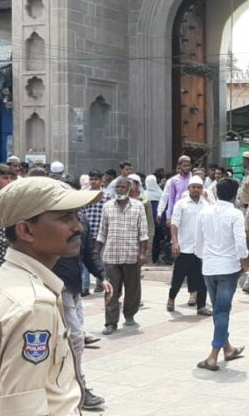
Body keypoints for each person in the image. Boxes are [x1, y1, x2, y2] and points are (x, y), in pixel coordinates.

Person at [0, 176, 101, 415]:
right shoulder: (34, 305)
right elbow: (22, 409)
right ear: (26, 230)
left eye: (76, 216)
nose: (78, 226)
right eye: (65, 217)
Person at [50, 176, 111, 411]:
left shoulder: (81, 220)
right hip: (56, 288)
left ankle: (72, 385)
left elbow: (89, 253)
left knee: (74, 340)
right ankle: (78, 388)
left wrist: (102, 276)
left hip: (74, 288)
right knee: (74, 339)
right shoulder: (48, 222)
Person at [193, 178, 248, 370]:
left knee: (218, 311)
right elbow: (240, 243)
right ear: (235, 194)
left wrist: (204, 257)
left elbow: (198, 242)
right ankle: (213, 355)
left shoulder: (204, 212)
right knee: (222, 311)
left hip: (209, 266)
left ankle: (228, 348)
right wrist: (244, 260)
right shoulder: (235, 214)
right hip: (228, 268)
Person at [97, 176, 149, 335]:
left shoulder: (138, 206)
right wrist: (97, 254)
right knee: (111, 291)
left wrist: (142, 254)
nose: (120, 189)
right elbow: (102, 232)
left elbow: (143, 233)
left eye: (122, 187)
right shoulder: (107, 207)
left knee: (132, 289)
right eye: (117, 187)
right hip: (111, 255)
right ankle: (111, 323)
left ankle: (129, 314)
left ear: (129, 189)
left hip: (131, 254)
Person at [168, 176, 211, 315]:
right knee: (178, 277)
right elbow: (174, 224)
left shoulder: (206, 205)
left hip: (200, 248)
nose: (196, 189)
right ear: (189, 188)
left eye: (199, 187)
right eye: (194, 187)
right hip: (184, 246)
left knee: (201, 278)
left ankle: (201, 306)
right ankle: (171, 298)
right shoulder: (181, 204)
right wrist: (175, 242)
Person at [159, 156, 193, 231]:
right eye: (185, 166)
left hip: (191, 211)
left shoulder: (194, 178)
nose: (187, 168)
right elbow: (171, 199)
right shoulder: (174, 180)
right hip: (178, 211)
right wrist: (169, 216)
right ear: (179, 166)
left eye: (189, 165)